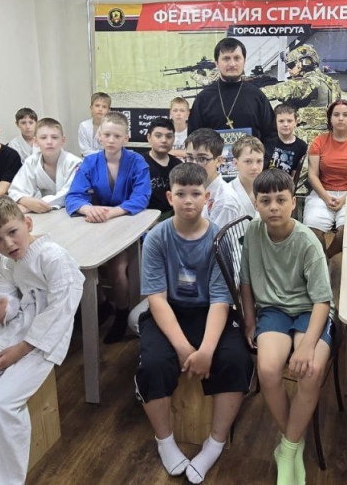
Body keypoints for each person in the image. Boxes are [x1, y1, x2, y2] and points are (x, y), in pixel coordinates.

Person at [0, 196, 83, 485]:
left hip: (45, 338)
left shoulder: (54, 258)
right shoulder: (7, 262)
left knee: (1, 403)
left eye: (12, 232)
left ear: (27, 223)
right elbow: (7, 294)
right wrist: (1, 309)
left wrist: (22, 349)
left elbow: (62, 308)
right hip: (15, 329)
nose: (7, 244)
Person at [135, 163, 253, 484]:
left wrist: (206, 350)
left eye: (196, 193)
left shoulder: (218, 238)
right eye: (181, 194)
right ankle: (165, 440)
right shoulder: (157, 237)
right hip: (170, 311)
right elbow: (157, 299)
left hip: (210, 312)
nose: (188, 200)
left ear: (207, 198)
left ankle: (215, 443)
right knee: (153, 365)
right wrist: (184, 347)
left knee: (236, 361)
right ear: (169, 197)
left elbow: (220, 301)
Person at [240, 169, 333, 485]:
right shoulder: (254, 231)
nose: (273, 207)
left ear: (294, 203)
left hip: (309, 310)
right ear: (256, 203)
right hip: (273, 310)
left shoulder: (307, 242)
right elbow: (246, 280)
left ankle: (288, 448)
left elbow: (322, 301)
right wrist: (249, 320)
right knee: (267, 370)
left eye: (281, 200)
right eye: (265, 201)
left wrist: (306, 345)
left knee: (311, 370)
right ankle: (292, 442)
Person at [66, 111, 151, 343]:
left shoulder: (137, 162)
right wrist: (87, 209)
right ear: (99, 136)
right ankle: (102, 304)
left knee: (116, 268)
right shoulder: (90, 162)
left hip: (126, 224)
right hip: (96, 225)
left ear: (126, 138)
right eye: (106, 135)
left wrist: (112, 212)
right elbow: (74, 196)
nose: (111, 140)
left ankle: (122, 313)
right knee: (78, 262)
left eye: (117, 136)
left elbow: (141, 197)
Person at [305, 99, 347, 259]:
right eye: (336, 115)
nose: (341, 118)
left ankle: (326, 257)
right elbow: (312, 175)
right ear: (330, 118)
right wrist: (326, 197)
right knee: (312, 230)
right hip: (322, 193)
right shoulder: (319, 141)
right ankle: (320, 264)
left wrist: (344, 199)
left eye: (345, 115)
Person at [188, 38, 276, 143]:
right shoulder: (203, 98)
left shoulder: (257, 96)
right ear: (217, 63)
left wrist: (260, 154)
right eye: (226, 59)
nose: (232, 64)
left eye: (237, 58)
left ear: (244, 62)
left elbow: (272, 136)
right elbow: (194, 138)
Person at [8, 118, 81, 213]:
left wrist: (31, 206)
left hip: (70, 210)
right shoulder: (31, 162)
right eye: (43, 138)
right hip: (42, 213)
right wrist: (26, 201)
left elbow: (70, 193)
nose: (49, 142)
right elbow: (16, 190)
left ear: (63, 140)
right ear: (35, 142)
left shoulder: (74, 162)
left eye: (54, 137)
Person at [184, 129, 241, 228]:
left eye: (202, 159)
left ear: (219, 161)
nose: (194, 164)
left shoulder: (225, 201)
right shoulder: (191, 189)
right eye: (190, 158)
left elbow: (217, 237)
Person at [144, 117, 182, 220]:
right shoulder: (139, 164)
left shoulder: (178, 165)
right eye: (158, 136)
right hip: (144, 217)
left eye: (169, 136)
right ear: (149, 137)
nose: (164, 140)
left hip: (173, 218)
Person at [265, 104, 308, 183]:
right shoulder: (267, 141)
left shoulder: (301, 146)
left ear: (296, 122)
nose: (285, 124)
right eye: (281, 121)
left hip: (284, 185)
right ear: (275, 122)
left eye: (289, 121)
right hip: (265, 183)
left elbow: (294, 173)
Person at [228, 136, 264, 219]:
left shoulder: (269, 190)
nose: (255, 167)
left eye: (259, 161)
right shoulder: (227, 193)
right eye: (248, 161)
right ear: (236, 163)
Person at [78, 92, 111, 157]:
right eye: (97, 105)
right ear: (91, 108)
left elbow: (110, 150)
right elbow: (84, 150)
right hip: (88, 160)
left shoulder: (112, 127)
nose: (100, 109)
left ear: (108, 110)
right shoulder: (83, 126)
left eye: (104, 107)